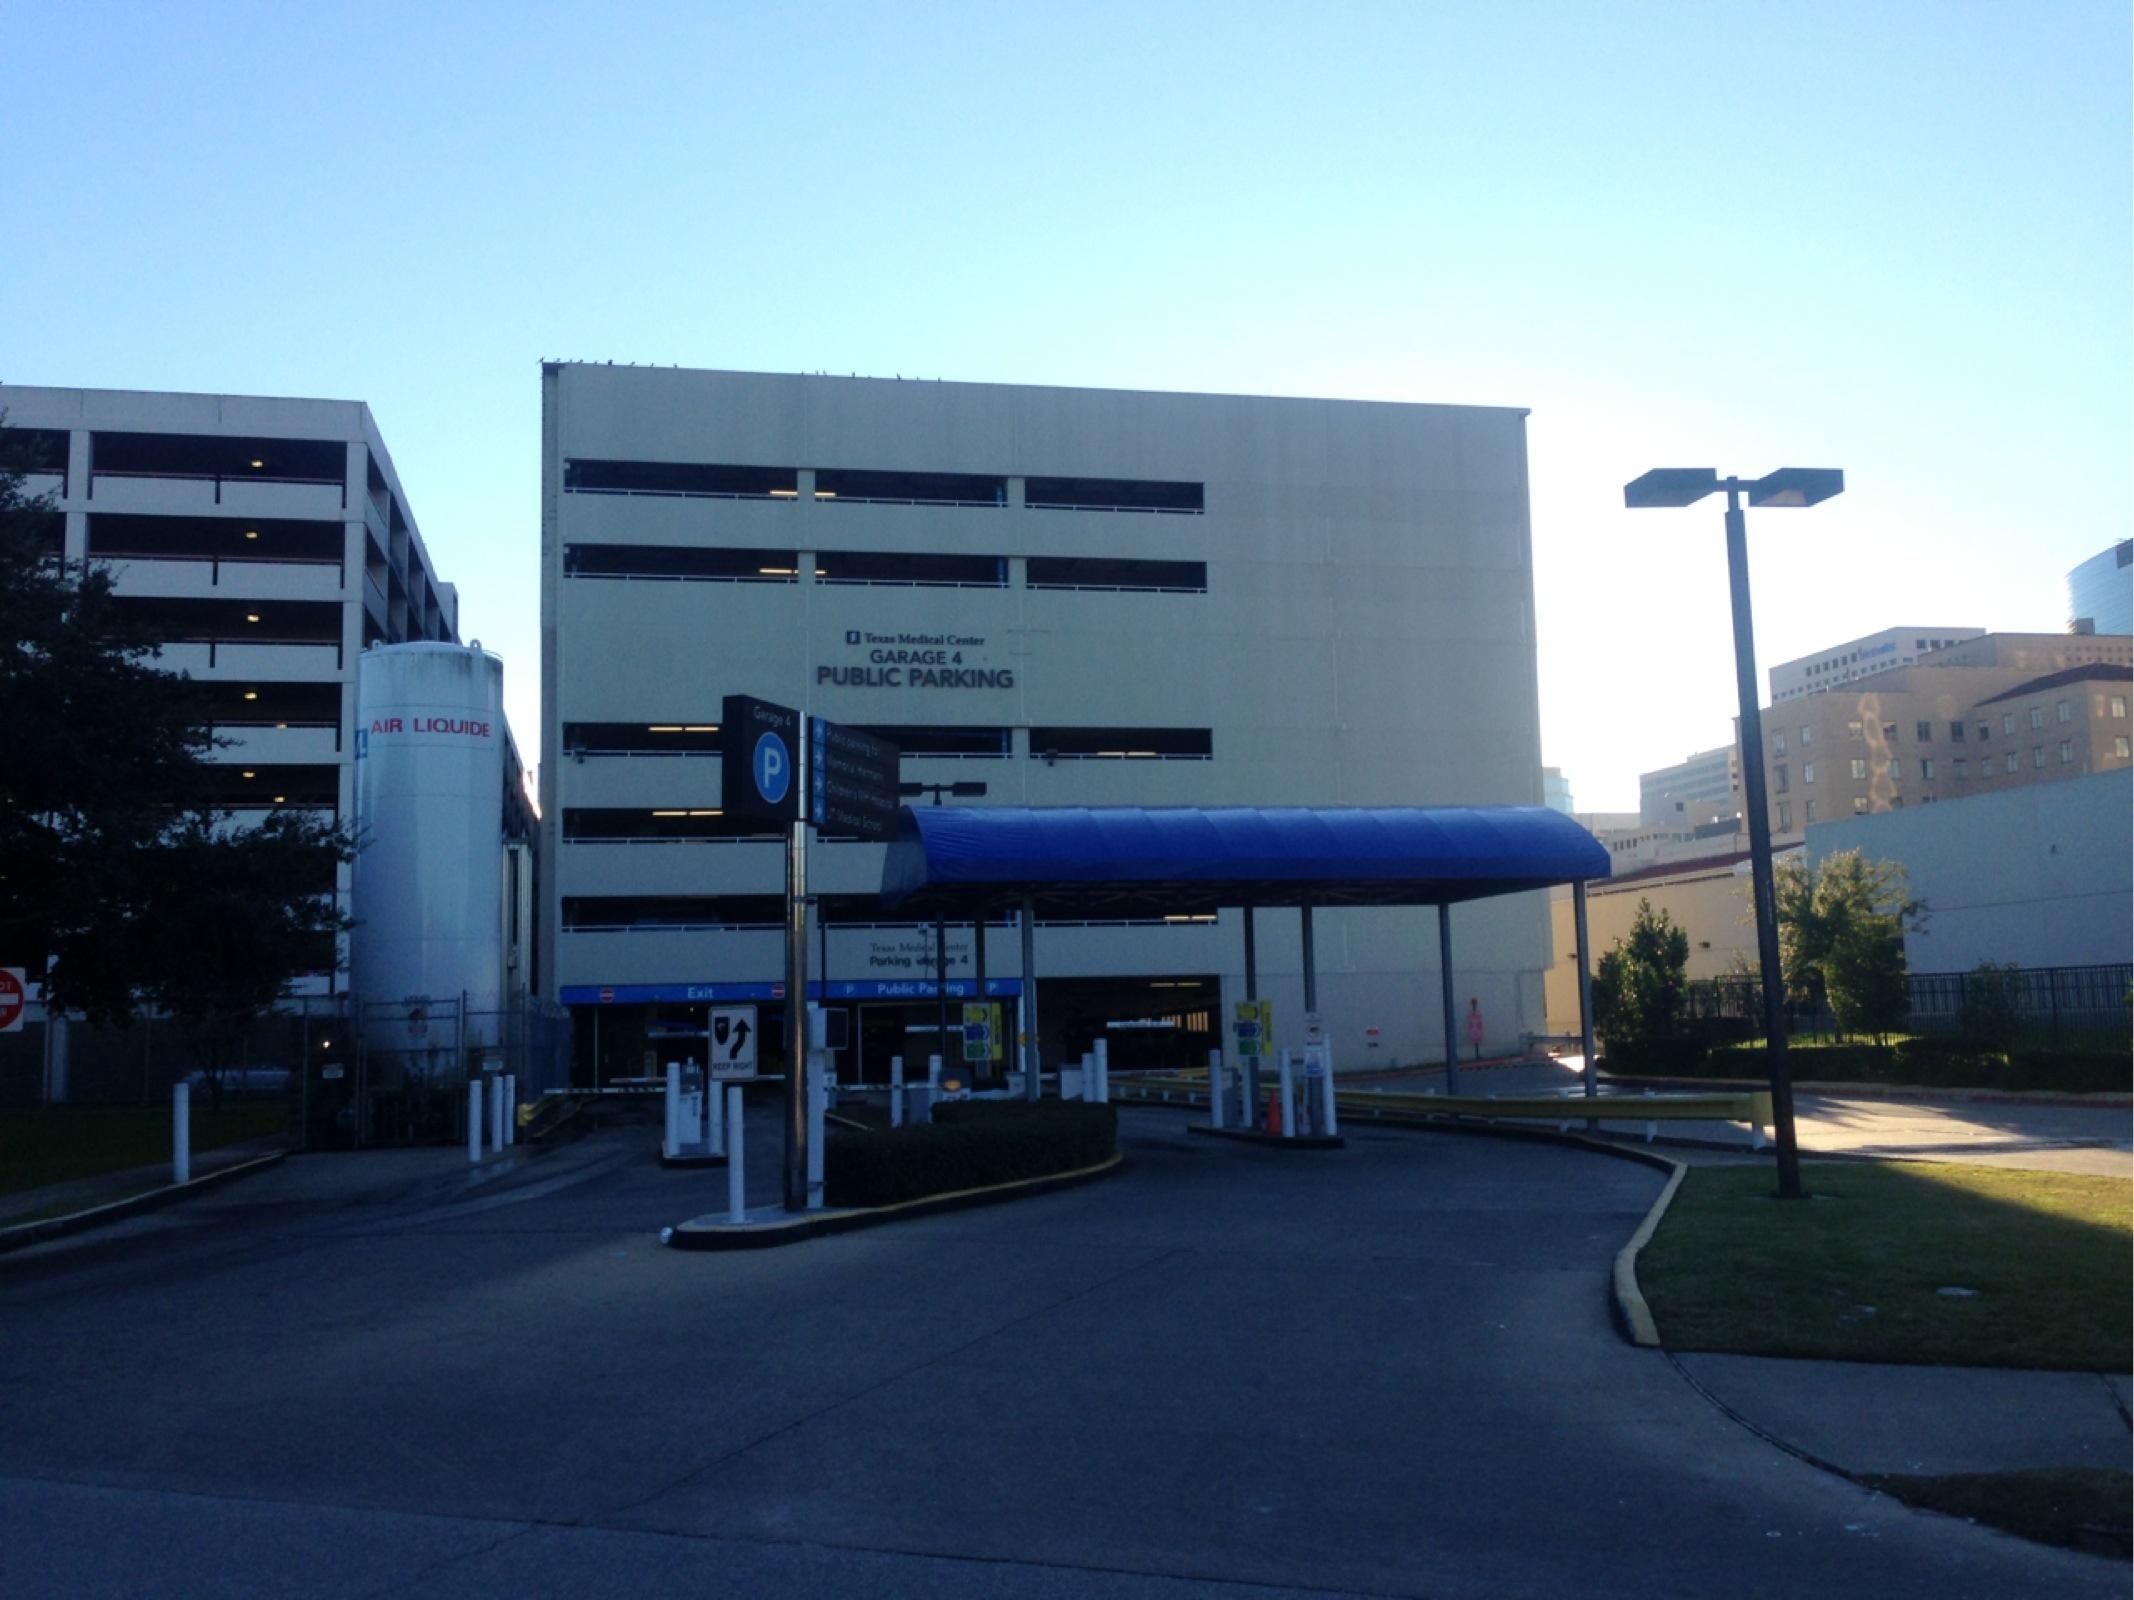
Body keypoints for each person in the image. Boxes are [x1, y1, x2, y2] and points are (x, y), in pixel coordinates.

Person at [1466, 996, 1485, 1061]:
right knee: (1475, 1040)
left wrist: (1480, 1026)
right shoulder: (1470, 1012)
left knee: (1477, 1041)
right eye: (1473, 1003)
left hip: (1477, 1027)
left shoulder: (1477, 1011)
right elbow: (1469, 1020)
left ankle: (1477, 1054)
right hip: (1473, 1028)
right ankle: (1476, 1055)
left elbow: (1479, 1020)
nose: (1474, 1005)